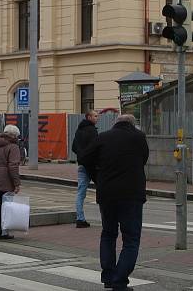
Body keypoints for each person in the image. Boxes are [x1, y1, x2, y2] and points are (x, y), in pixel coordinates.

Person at [79, 114, 148, 291]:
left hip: (107, 194)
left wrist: (98, 176)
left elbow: (84, 158)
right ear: (133, 125)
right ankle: (120, 280)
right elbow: (144, 159)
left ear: (115, 123)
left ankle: (109, 277)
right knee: (131, 239)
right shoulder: (139, 138)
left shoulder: (103, 137)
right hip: (132, 195)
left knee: (108, 234)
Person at [72, 109, 99, 228]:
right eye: (95, 116)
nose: (97, 118)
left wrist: (81, 154)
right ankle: (108, 216)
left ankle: (80, 218)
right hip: (93, 165)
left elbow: (74, 147)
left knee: (80, 192)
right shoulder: (92, 131)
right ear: (88, 117)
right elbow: (96, 147)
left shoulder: (79, 130)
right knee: (103, 189)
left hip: (82, 164)